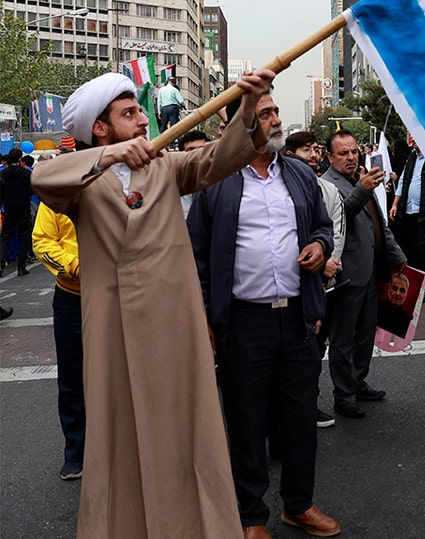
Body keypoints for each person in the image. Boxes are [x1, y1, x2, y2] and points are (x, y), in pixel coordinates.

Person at [30, 69, 273, 538]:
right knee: (117, 437)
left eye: (141, 111)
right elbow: (42, 176)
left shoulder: (167, 167)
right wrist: (109, 156)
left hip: (174, 327)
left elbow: (224, 157)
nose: (143, 120)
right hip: (112, 333)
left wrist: (247, 104)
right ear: (99, 129)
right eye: (129, 114)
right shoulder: (79, 184)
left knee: (188, 430)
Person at [189, 95, 339, 538]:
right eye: (265, 113)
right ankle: (251, 517)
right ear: (241, 123)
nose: (276, 121)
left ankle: (299, 505)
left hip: (297, 319)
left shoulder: (297, 173)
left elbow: (322, 227)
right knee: (246, 421)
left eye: (276, 111)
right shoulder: (217, 178)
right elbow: (197, 255)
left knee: (298, 419)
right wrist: (205, 319)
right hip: (242, 322)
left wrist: (320, 246)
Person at [321, 130, 406, 419]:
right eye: (343, 153)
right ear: (330, 157)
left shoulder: (361, 179)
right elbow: (338, 218)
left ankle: (358, 382)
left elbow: (379, 224)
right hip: (346, 274)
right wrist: (363, 189)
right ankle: (343, 396)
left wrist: (397, 258)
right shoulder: (327, 184)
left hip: (371, 271)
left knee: (367, 333)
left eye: (354, 151)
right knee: (343, 338)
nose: (351, 157)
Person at [284, 130, 347, 428]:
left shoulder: (328, 191)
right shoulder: (279, 187)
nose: (312, 155)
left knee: (314, 350)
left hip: (323, 280)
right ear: (288, 154)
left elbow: (333, 231)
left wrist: (325, 261)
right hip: (292, 283)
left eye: (315, 149)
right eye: (304, 150)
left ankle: (308, 405)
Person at [31, 202, 85, 480]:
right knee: (72, 377)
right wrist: (75, 266)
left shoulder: (123, 181)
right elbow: (41, 241)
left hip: (119, 293)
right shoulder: (57, 190)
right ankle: (76, 450)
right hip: (72, 297)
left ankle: (120, 447)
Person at [390, 133, 425, 300]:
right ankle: (418, 285)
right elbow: (402, 183)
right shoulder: (412, 157)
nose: (412, 139)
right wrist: (395, 203)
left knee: (423, 247)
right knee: (413, 249)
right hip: (409, 210)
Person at [0, 149, 34, 277]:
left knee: (5, 237)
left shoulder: (3, 174)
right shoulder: (25, 173)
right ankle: (21, 267)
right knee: (24, 236)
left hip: (9, 208)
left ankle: (1, 264)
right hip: (23, 207)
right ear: (20, 159)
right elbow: (30, 190)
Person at [177, 131, 210, 216]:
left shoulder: (220, 184)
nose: (197, 154)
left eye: (201, 149)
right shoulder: (171, 186)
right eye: (191, 150)